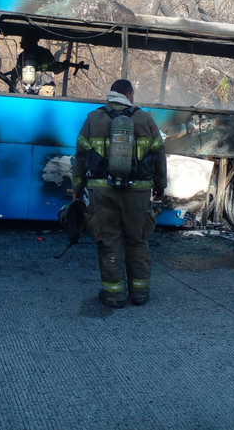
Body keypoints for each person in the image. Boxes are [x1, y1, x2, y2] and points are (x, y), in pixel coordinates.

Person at [71, 79, 167, 308]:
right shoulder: (145, 119)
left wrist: (76, 189)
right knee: (137, 241)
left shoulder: (93, 118)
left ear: (111, 95)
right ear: (129, 95)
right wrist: (160, 187)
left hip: (102, 191)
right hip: (138, 191)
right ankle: (140, 294)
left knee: (109, 241)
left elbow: (81, 156)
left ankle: (114, 296)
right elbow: (159, 155)